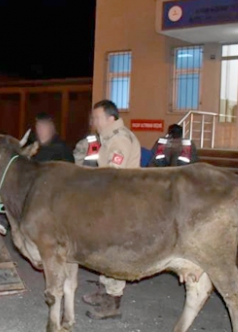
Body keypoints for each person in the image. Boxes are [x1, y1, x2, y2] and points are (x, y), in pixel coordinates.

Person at [82, 99, 141, 320]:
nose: (94, 121)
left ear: (111, 118)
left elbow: (113, 176)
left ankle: (113, 301)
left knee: (114, 251)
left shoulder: (120, 140)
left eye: (97, 118)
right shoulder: (108, 139)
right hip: (109, 203)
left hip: (120, 205)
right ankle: (105, 290)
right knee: (104, 249)